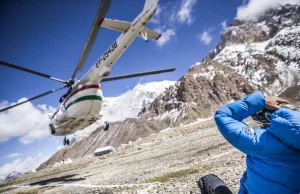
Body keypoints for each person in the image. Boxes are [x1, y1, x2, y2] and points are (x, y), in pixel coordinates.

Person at [198, 91, 300, 194]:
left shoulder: (261, 141)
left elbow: (223, 116)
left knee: (208, 180)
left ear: (268, 117)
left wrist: (261, 102)